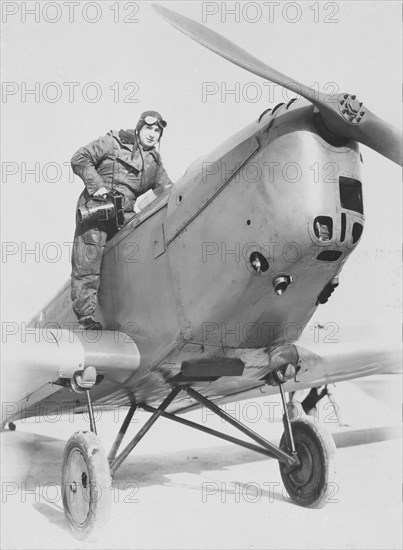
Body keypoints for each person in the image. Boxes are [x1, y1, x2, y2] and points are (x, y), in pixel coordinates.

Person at [70, 111, 173, 330]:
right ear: (138, 128)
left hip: (123, 214)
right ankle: (85, 318)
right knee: (88, 262)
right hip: (97, 207)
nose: (153, 134)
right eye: (149, 129)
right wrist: (97, 186)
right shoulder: (114, 142)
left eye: (157, 131)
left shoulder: (154, 162)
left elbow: (167, 189)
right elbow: (79, 158)